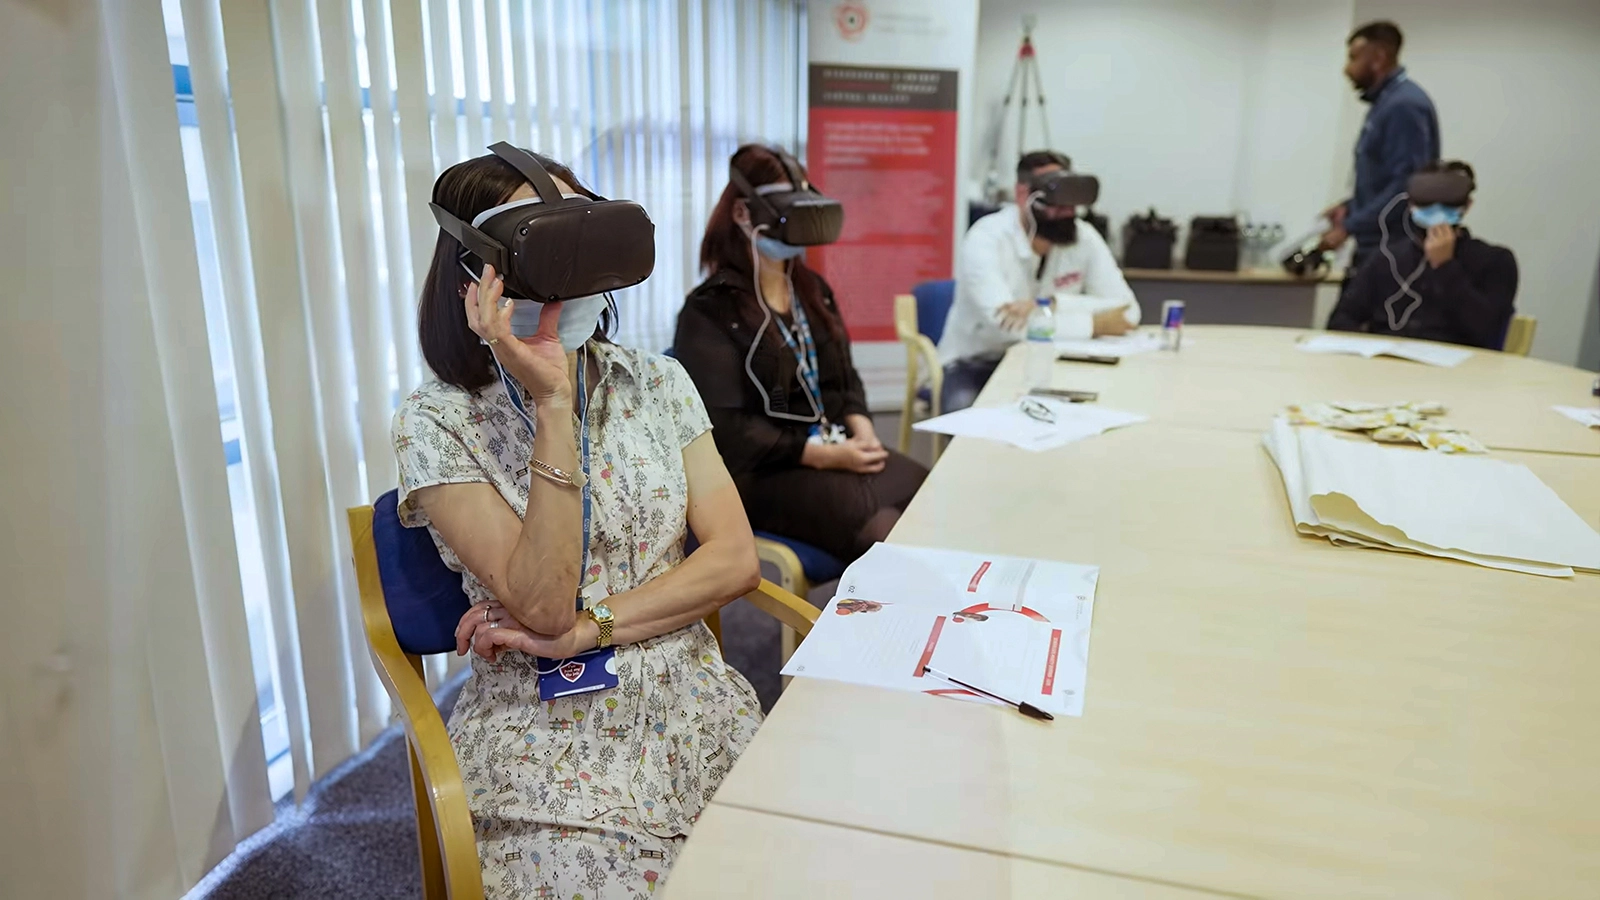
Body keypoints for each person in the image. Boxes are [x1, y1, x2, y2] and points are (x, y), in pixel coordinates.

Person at [392, 147, 765, 899]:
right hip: (544, 729)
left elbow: (734, 561)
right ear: (475, 273)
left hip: (690, 700)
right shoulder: (434, 423)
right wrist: (552, 406)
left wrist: (591, 628)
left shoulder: (658, 382)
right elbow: (541, 606)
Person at [674, 145, 927, 564]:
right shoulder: (710, 310)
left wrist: (861, 428)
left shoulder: (812, 292)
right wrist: (818, 455)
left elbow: (843, 379)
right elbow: (726, 429)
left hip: (829, 446)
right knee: (883, 530)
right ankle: (872, 625)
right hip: (757, 471)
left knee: (926, 495)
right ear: (742, 214)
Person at [938, 150, 1138, 412]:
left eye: (1071, 200)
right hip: (979, 362)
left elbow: (1129, 312)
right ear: (1023, 195)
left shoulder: (1084, 237)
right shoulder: (986, 238)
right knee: (966, 419)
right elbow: (1005, 327)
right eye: (1055, 198)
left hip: (1053, 360)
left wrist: (1051, 305)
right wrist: (1093, 323)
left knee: (1104, 407)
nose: (1067, 211)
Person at [1328, 160, 1518, 348]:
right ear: (1411, 205)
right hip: (1386, 366)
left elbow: (1488, 331)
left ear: (1466, 206)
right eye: (1427, 204)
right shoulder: (1386, 259)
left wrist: (1445, 267)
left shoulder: (1495, 261)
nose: (1436, 213)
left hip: (1457, 369)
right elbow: (1341, 320)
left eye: (1446, 205)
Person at [1320, 21, 1441, 285]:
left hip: (1392, 251)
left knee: (1354, 324)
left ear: (1378, 57)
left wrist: (1350, 227)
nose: (1346, 69)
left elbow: (1407, 184)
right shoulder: (1386, 104)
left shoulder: (1403, 106)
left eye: (1353, 58)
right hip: (1376, 246)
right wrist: (1350, 207)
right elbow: (1384, 179)